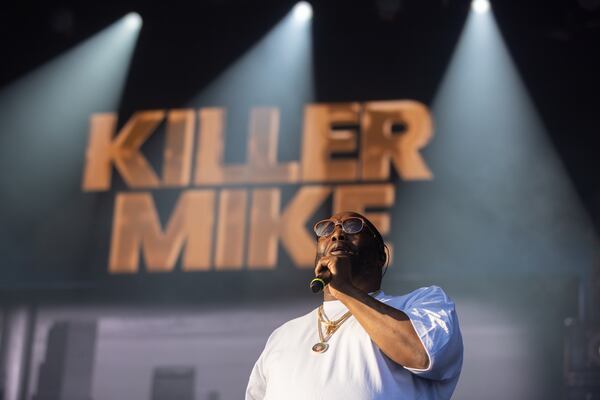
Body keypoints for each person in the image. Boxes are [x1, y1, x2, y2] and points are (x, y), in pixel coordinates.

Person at [245, 211, 463, 400]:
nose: (338, 234)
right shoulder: (283, 335)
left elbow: (421, 354)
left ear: (381, 256)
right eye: (327, 229)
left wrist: (345, 290)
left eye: (353, 227)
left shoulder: (422, 304)